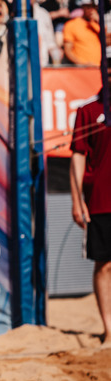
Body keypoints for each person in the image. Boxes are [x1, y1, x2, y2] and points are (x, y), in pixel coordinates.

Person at [70, 92, 111, 344]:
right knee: (104, 265)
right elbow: (77, 156)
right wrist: (76, 200)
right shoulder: (88, 110)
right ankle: (109, 330)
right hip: (101, 200)